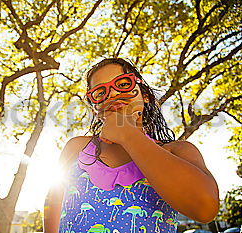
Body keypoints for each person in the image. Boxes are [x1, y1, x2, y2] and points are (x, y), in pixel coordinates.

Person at [44, 58, 219, 232]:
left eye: (123, 84)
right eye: (99, 93)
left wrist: (128, 135)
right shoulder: (77, 148)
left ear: (146, 96)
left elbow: (205, 209)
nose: (112, 94)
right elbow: (53, 203)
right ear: (95, 111)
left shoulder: (177, 151)